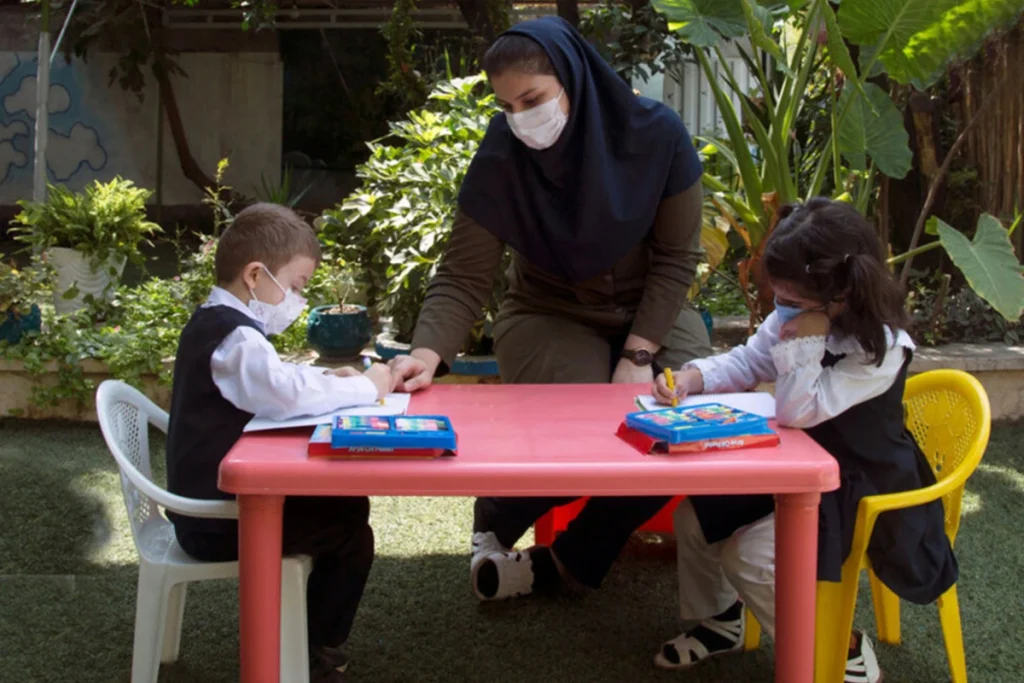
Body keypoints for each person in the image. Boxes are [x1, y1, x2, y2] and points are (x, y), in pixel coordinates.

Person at [388, 15, 712, 602]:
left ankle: (571, 560)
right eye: (507, 105)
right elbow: (464, 273)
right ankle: (499, 511)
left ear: (572, 80)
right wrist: (427, 351)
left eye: (533, 99)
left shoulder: (657, 135)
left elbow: (674, 260)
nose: (521, 119)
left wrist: (639, 352)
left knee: (683, 427)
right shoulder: (503, 154)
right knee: (582, 422)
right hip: (549, 310)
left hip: (654, 307)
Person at [649, 198, 957, 683]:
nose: (781, 307)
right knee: (694, 518)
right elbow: (750, 361)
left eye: (791, 300)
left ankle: (842, 649)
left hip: (860, 489)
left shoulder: (882, 348)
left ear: (842, 296)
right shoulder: (801, 310)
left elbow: (797, 410)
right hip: (797, 472)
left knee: (749, 556)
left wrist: (804, 341)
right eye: (779, 296)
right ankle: (722, 622)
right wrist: (693, 377)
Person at [165, 203, 394, 682]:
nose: (297, 300)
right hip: (214, 521)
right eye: (294, 287)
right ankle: (315, 651)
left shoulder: (219, 324)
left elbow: (274, 383)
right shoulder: (235, 340)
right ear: (255, 274)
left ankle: (305, 639)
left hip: (203, 505)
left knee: (347, 509)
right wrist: (368, 387)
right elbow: (285, 393)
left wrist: (330, 378)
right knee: (351, 531)